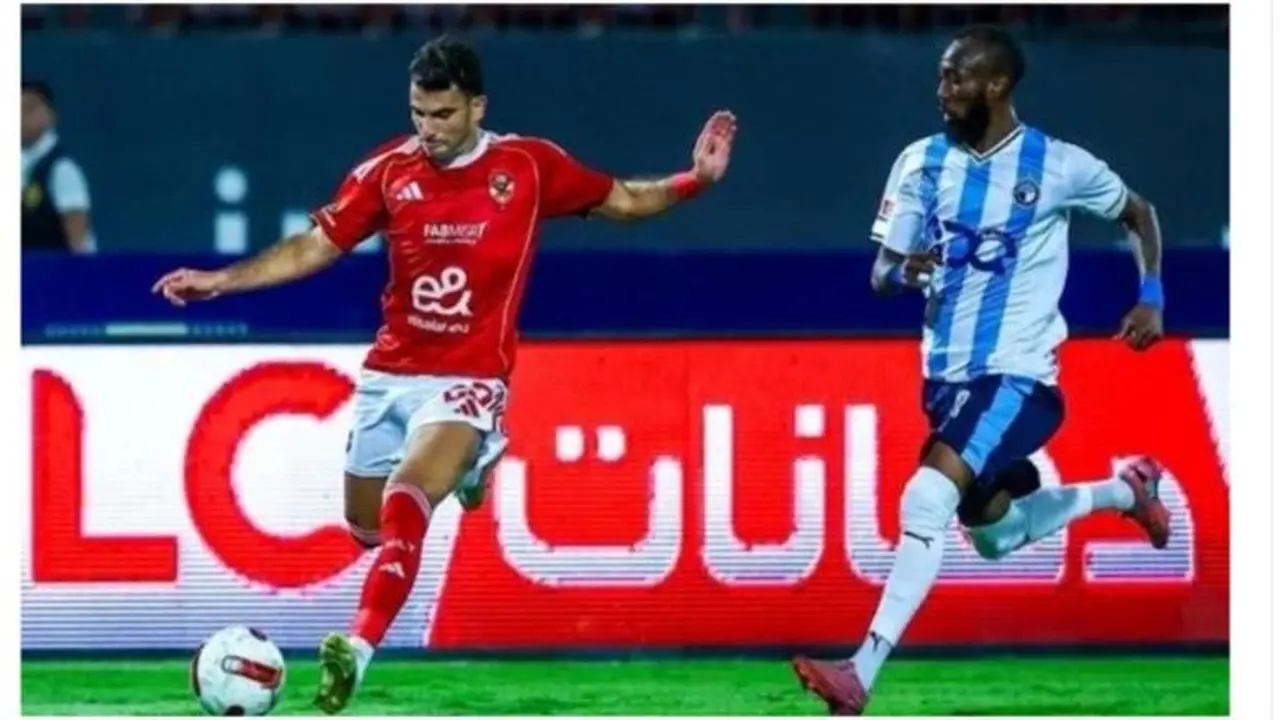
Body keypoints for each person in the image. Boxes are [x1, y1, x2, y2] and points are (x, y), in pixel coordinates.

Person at [151, 36, 737, 714]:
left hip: (470, 376)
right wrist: (220, 281)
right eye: (418, 113)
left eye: (443, 114)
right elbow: (316, 246)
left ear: (477, 107)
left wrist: (696, 180)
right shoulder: (388, 171)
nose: (428, 129)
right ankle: (470, 470)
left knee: (408, 496)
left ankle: (357, 650)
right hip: (391, 374)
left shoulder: (528, 165)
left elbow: (627, 201)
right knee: (366, 527)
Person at [791, 26, 1170, 715]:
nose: (942, 90)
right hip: (946, 381)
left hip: (1018, 376)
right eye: (941, 76)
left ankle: (859, 673)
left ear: (997, 84)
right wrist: (906, 269)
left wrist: (1150, 295)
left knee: (925, 499)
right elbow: (881, 273)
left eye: (956, 77)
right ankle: (1126, 491)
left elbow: (1138, 212)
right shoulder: (919, 163)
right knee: (994, 534)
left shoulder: (1057, 165)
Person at [21, 80, 94, 253]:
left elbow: (79, 244)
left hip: (50, 268)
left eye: (28, 109)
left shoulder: (62, 170)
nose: (20, 118)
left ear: (50, 115)